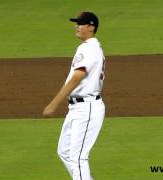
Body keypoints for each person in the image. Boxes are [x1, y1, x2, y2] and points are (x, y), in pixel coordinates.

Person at [43, 11, 106, 180]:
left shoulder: (90, 48)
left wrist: (53, 103)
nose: (76, 27)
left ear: (91, 27)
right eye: (76, 23)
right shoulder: (87, 47)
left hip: (87, 108)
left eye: (80, 24)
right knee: (64, 151)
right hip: (77, 108)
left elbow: (77, 77)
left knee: (78, 158)